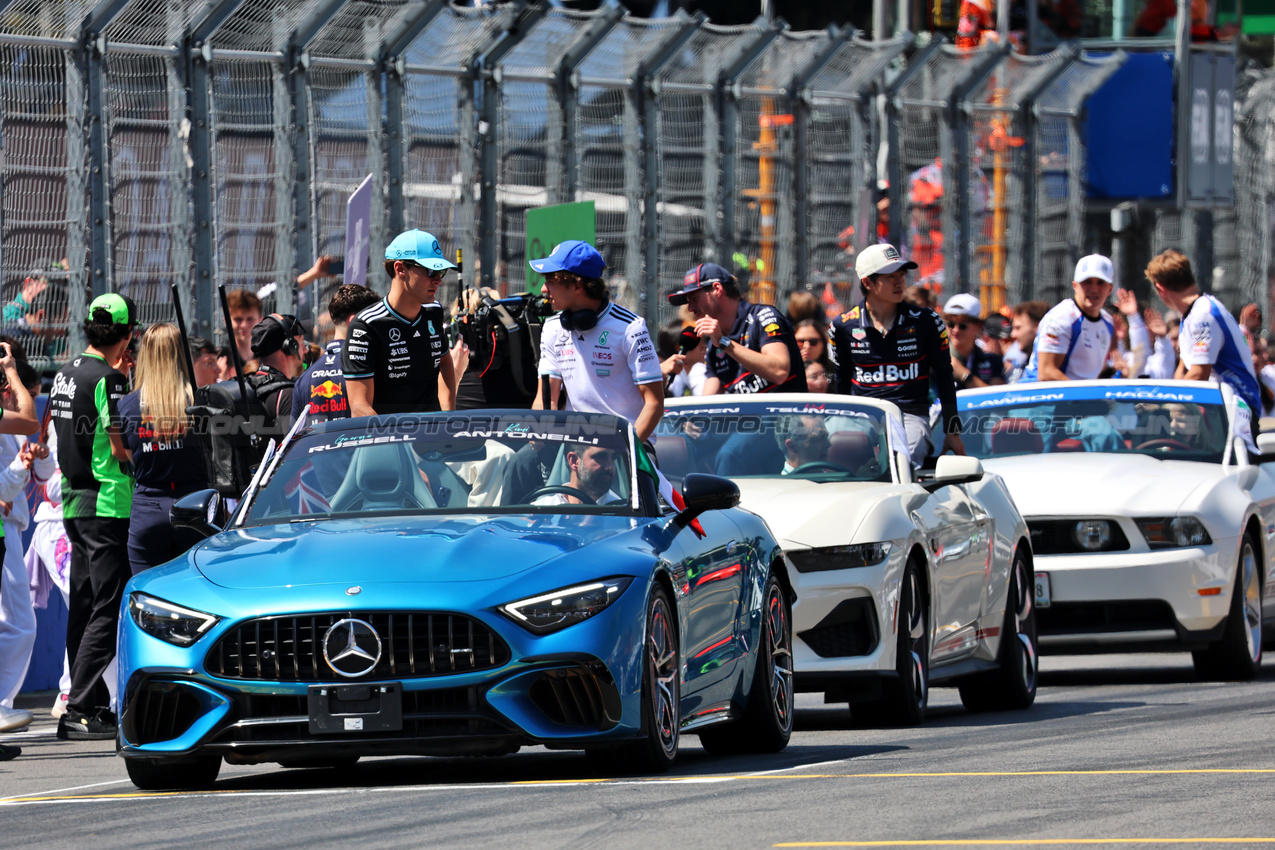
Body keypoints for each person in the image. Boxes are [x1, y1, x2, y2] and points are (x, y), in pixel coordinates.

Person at [48, 293, 135, 740]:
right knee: (108, 604)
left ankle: (89, 705)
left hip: (72, 500)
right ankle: (80, 705)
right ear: (126, 335)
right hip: (107, 502)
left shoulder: (64, 374)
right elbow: (119, 446)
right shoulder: (110, 380)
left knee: (82, 605)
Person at [830, 243, 963, 461]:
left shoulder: (927, 321)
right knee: (839, 448)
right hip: (862, 415)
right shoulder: (842, 326)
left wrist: (953, 431)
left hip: (910, 415)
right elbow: (841, 381)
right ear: (868, 282)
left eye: (901, 274)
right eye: (890, 276)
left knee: (905, 455)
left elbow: (945, 376)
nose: (900, 281)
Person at [532, 240, 664, 441]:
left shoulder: (631, 328)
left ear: (577, 286)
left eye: (551, 281)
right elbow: (547, 398)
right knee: (517, 465)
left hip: (630, 444)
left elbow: (654, 403)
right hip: (574, 445)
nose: (543, 288)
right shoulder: (552, 327)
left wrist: (626, 450)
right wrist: (538, 440)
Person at [118, 324, 210, 575]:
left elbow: (130, 459)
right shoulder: (200, 401)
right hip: (196, 508)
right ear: (181, 354)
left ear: (144, 355)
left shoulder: (127, 404)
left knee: (147, 595)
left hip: (148, 508)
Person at [1145, 250, 1262, 431]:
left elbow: (1199, 375)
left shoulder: (1203, 314)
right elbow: (1182, 371)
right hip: (1216, 411)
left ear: (1160, 289)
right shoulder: (1190, 316)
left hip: (1237, 412)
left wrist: (1164, 403)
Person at [344, 229, 457, 417]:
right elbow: (359, 406)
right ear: (400, 269)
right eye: (431, 271)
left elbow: (445, 363)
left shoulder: (434, 310)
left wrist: (447, 418)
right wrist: (398, 443)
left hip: (431, 438)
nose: (438, 280)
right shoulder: (366, 326)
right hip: (387, 440)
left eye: (441, 271)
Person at [668, 262, 806, 395]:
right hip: (750, 419)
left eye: (695, 298)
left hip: (787, 417)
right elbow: (708, 403)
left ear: (717, 289)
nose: (690, 308)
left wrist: (724, 343)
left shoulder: (763, 317)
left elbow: (779, 372)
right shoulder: (714, 345)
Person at [0, 355, 41, 735]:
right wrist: (11, 370)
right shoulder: (8, 417)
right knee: (20, 625)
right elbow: (30, 418)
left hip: (9, 525)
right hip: (4, 527)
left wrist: (28, 461)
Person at [1020, 254, 1138, 382]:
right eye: (1087, 282)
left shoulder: (1108, 322)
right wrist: (1087, 396)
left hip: (1076, 398)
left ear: (1110, 289)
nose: (1094, 289)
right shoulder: (1061, 318)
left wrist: (1117, 374)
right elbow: (1046, 373)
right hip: (1040, 397)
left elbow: (1092, 374)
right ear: (1075, 285)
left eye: (1100, 283)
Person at [292, 284, 379, 423]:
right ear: (355, 322)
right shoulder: (367, 368)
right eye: (374, 321)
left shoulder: (304, 379)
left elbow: (294, 438)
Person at [246, 314, 306, 432]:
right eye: (301, 343)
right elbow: (293, 448)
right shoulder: (288, 395)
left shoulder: (250, 386)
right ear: (290, 347)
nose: (305, 349)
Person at [943, 294, 1005, 388]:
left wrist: (964, 375)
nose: (956, 330)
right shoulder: (936, 358)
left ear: (978, 326)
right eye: (951, 325)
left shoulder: (992, 361)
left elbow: (996, 398)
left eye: (963, 326)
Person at [530, 445, 619, 506]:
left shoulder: (624, 516)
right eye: (600, 457)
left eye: (613, 458)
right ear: (574, 461)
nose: (610, 467)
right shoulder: (541, 511)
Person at [1006, 300, 1048, 383]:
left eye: (1018, 328)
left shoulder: (1050, 369)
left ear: (1038, 327)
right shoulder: (1018, 365)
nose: (1013, 334)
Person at [226, 289, 263, 369]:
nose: (244, 325)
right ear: (226, 321)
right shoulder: (222, 361)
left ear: (260, 320)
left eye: (250, 319)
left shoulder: (268, 358)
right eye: (238, 319)